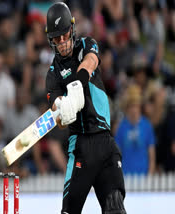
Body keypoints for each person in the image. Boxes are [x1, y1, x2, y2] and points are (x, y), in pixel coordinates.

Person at [45, 3, 126, 214]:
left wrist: (77, 86)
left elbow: (90, 63)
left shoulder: (86, 44)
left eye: (64, 35)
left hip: (106, 142)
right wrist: (63, 109)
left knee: (115, 208)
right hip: (81, 147)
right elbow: (58, 118)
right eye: (56, 38)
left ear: (72, 29)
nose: (62, 42)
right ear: (50, 40)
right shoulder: (53, 74)